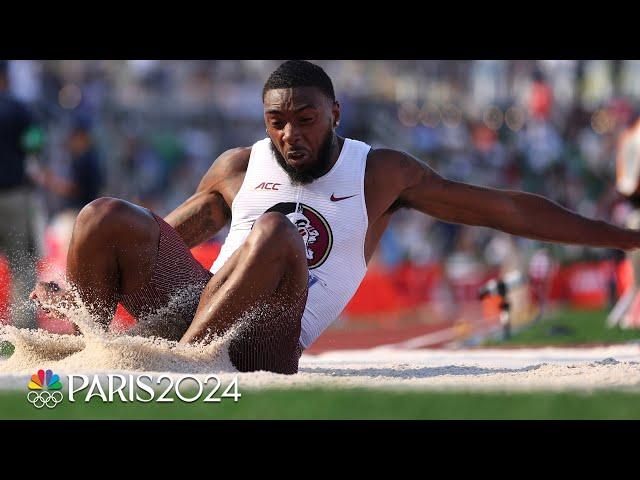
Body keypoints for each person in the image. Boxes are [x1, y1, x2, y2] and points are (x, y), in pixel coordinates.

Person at [31, 60, 640, 375]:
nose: (290, 134)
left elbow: (506, 209)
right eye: (278, 121)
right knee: (103, 215)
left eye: (305, 119)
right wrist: (84, 276)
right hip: (203, 310)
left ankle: (173, 372)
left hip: (269, 338)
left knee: (273, 232)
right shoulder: (240, 166)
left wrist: (624, 237)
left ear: (335, 113)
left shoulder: (380, 174)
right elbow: (163, 238)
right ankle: (93, 354)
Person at [0, 60, 44, 329]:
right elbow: (35, 142)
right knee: (22, 266)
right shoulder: (18, 108)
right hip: (15, 196)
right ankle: (24, 334)